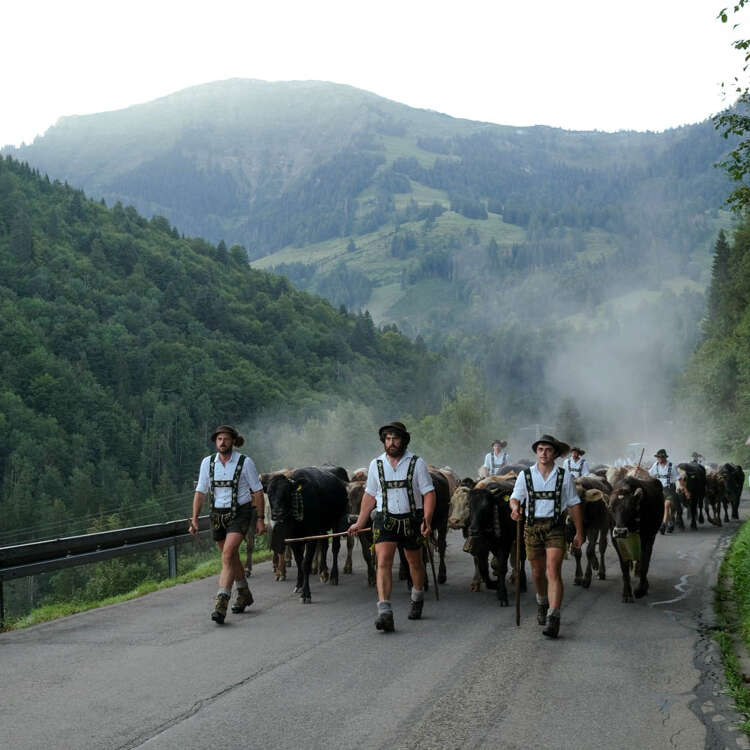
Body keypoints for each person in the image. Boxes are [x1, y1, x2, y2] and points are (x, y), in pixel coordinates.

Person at [348, 421, 435, 632]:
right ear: (383, 441)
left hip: (412, 520)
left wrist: (427, 519)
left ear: (403, 440)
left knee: (414, 562)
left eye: (395, 438)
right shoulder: (376, 464)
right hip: (385, 519)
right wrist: (360, 521)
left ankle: (417, 595)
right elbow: (369, 495)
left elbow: (428, 493)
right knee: (383, 561)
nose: (391, 442)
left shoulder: (417, 463)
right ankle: (385, 611)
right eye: (388, 439)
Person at [189, 425, 266, 624]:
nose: (223, 442)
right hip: (217, 515)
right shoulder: (208, 463)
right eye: (219, 439)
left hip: (240, 513)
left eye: (226, 439)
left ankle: (222, 601)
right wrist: (195, 519)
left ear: (233, 441)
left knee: (227, 555)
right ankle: (244, 593)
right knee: (231, 557)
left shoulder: (244, 462)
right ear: (216, 442)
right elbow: (200, 492)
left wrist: (259, 519)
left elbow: (257, 492)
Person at [509, 434, 583, 639]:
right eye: (540, 449)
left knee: (553, 570)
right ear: (536, 452)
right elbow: (516, 497)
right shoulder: (526, 475)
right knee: (537, 572)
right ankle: (542, 601)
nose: (544, 453)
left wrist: (579, 531)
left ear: (555, 454)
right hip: (531, 528)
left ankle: (554, 616)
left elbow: (574, 504)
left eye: (548, 450)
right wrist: (515, 508)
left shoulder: (563, 475)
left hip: (555, 528)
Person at [648, 449, 679, 534]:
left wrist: (685, 490)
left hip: (669, 489)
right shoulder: (656, 465)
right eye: (658, 457)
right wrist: (640, 469)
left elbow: (678, 478)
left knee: (666, 505)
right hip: (659, 489)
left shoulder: (672, 466)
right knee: (663, 507)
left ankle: (663, 524)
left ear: (665, 457)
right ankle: (670, 523)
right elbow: (649, 473)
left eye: (661, 457)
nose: (659, 459)